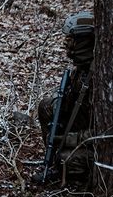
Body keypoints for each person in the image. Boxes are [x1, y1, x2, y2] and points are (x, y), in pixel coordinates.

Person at [35, 11, 95, 186]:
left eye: (70, 39)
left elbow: (105, 132)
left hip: (98, 145)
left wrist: (70, 139)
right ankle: (53, 160)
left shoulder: (100, 76)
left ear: (83, 40)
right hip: (82, 128)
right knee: (47, 106)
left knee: (66, 160)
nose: (65, 44)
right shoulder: (82, 70)